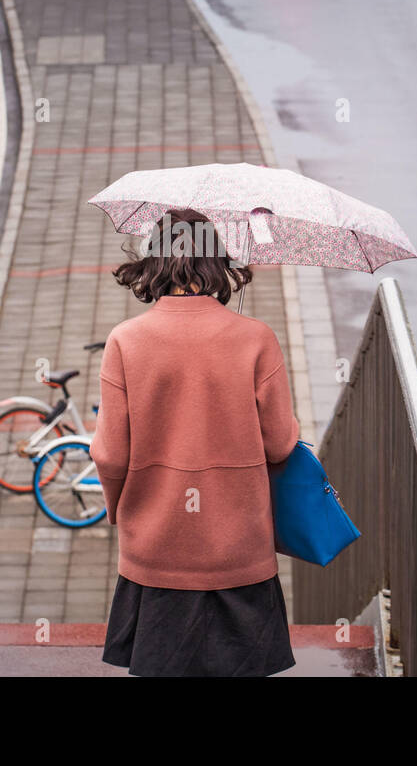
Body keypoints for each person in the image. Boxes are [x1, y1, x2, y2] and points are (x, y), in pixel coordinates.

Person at [92, 207, 301, 677]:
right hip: (238, 549)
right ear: (217, 261)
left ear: (153, 261)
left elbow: (108, 453)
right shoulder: (256, 338)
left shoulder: (125, 340)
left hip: (157, 547)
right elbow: (281, 443)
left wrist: (119, 510)